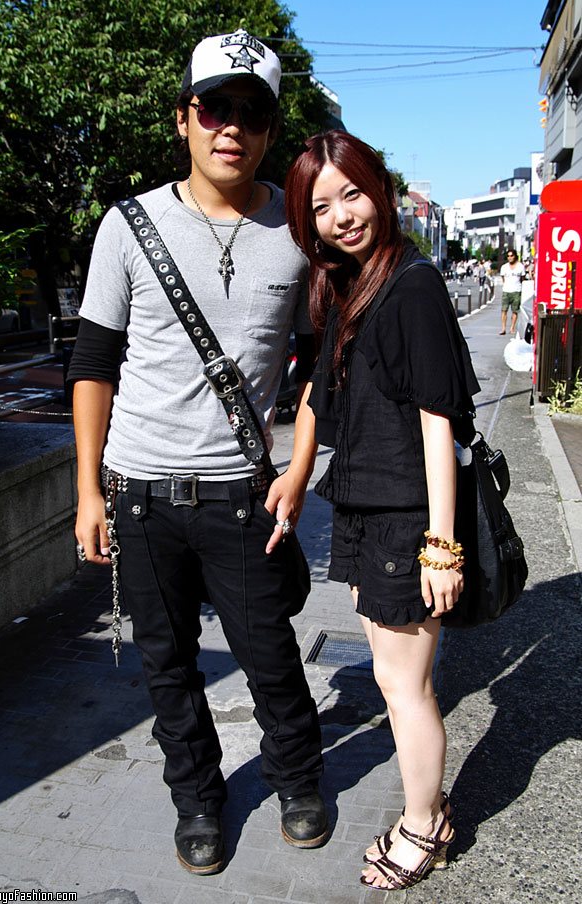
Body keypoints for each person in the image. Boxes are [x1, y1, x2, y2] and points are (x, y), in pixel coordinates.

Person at [68, 29, 328, 875]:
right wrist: (89, 491)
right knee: (167, 667)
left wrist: (298, 467)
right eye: (216, 107)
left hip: (241, 495)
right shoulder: (128, 224)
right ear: (185, 117)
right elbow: (93, 364)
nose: (233, 128)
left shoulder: (296, 232)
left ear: (267, 130)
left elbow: (323, 362)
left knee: (271, 656)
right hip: (139, 493)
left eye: (252, 113)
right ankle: (198, 800)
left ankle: (297, 781)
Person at [285, 131, 480, 892]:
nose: (342, 216)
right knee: (394, 677)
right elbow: (325, 401)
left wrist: (441, 544)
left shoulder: (412, 284)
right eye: (321, 206)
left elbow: (440, 420)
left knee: (405, 687)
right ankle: (425, 812)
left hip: (405, 517)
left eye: (353, 193)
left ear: (380, 189)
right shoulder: (348, 284)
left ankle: (426, 824)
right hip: (365, 510)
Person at [499, 248, 525, 334]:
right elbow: (503, 278)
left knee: (515, 310)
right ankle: (503, 328)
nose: (510, 258)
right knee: (504, 310)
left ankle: (512, 328)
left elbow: (522, 279)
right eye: (508, 256)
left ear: (515, 256)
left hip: (517, 290)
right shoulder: (504, 267)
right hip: (506, 290)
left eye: (511, 256)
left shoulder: (521, 267)